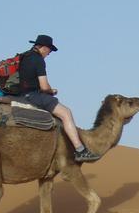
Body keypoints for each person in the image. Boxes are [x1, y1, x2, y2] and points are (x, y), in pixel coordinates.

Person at [16, 34, 100, 162]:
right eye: (49, 49)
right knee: (66, 113)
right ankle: (80, 150)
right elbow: (44, 86)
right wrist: (51, 91)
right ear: (43, 47)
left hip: (21, 95)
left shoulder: (24, 57)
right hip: (33, 96)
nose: (49, 53)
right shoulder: (38, 60)